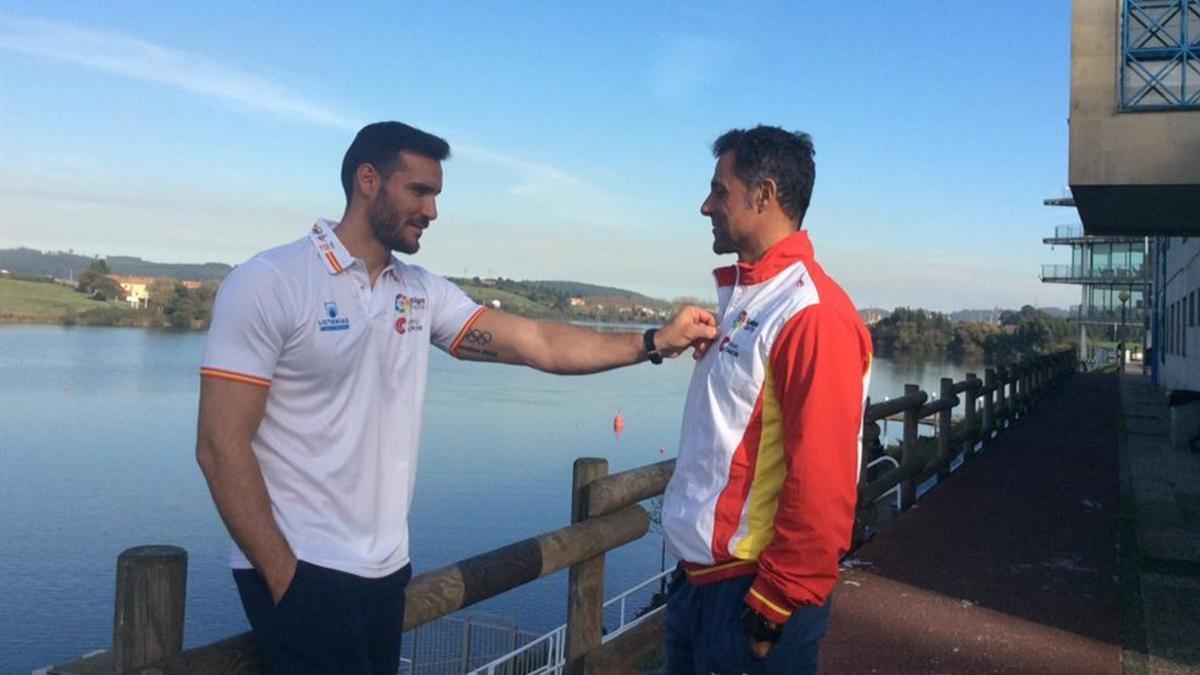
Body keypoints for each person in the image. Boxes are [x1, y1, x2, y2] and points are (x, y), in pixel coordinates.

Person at [194, 121, 719, 675]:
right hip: (303, 566)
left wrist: (653, 343)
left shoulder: (418, 292)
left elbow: (538, 342)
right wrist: (286, 578)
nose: (433, 210)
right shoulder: (270, 281)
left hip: (386, 570)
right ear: (367, 180)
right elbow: (219, 445)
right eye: (419, 191)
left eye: (437, 194)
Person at [661, 125, 873, 674]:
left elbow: (824, 477)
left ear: (764, 195)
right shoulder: (750, 298)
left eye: (719, 191)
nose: (705, 205)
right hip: (701, 584)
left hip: (750, 595)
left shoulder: (811, 313)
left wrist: (775, 604)